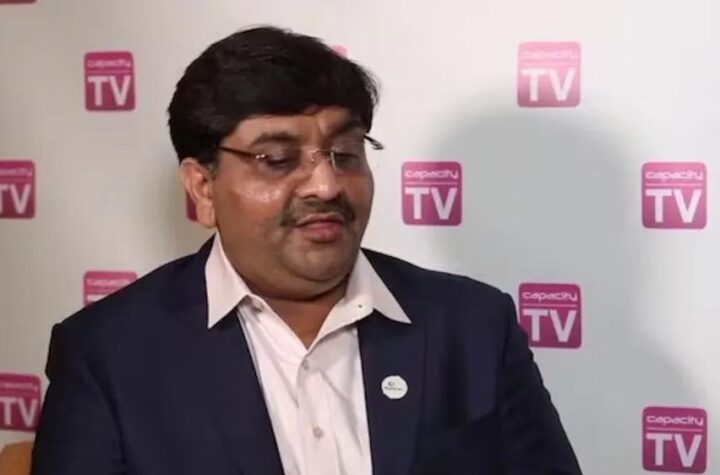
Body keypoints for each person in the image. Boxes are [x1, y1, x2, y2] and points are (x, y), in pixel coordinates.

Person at [31, 26, 582, 475]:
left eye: (345, 152)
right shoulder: (109, 354)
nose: (326, 185)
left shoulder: (474, 326)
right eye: (278, 159)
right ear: (203, 188)